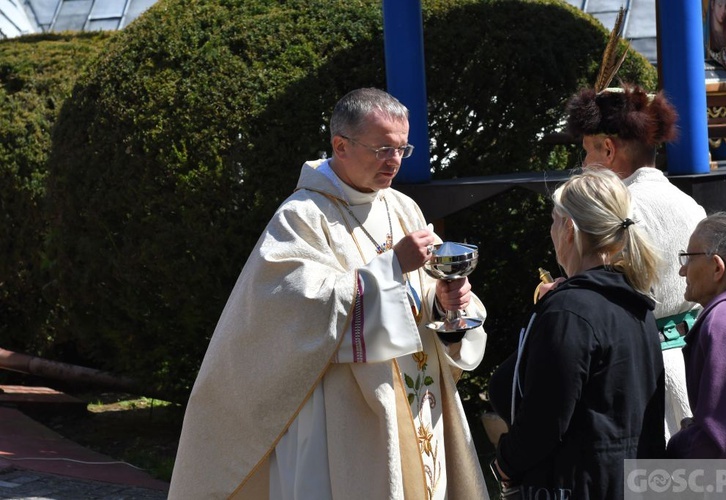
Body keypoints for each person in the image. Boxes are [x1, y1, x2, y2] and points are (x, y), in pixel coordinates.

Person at [168, 88, 489, 499]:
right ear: (341, 145)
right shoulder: (302, 215)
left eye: (401, 149)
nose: (393, 161)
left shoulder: (404, 207)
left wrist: (443, 302)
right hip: (342, 408)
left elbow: (419, 295)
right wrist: (392, 266)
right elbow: (293, 305)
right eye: (382, 149)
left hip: (415, 392)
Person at [488, 168, 665, 499]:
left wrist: (504, 463)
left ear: (569, 229)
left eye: (555, 220)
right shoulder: (634, 304)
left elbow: (543, 423)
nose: (551, 230)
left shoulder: (571, 312)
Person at [565, 83, 707, 439]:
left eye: (586, 152)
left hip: (633, 372)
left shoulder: (616, 212)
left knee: (641, 483)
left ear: (608, 149)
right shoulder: (693, 207)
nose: (583, 165)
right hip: (695, 365)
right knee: (695, 485)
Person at [667, 213, 726, 458]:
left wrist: (678, 444)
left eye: (688, 258)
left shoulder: (725, 320)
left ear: (717, 267)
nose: (682, 271)